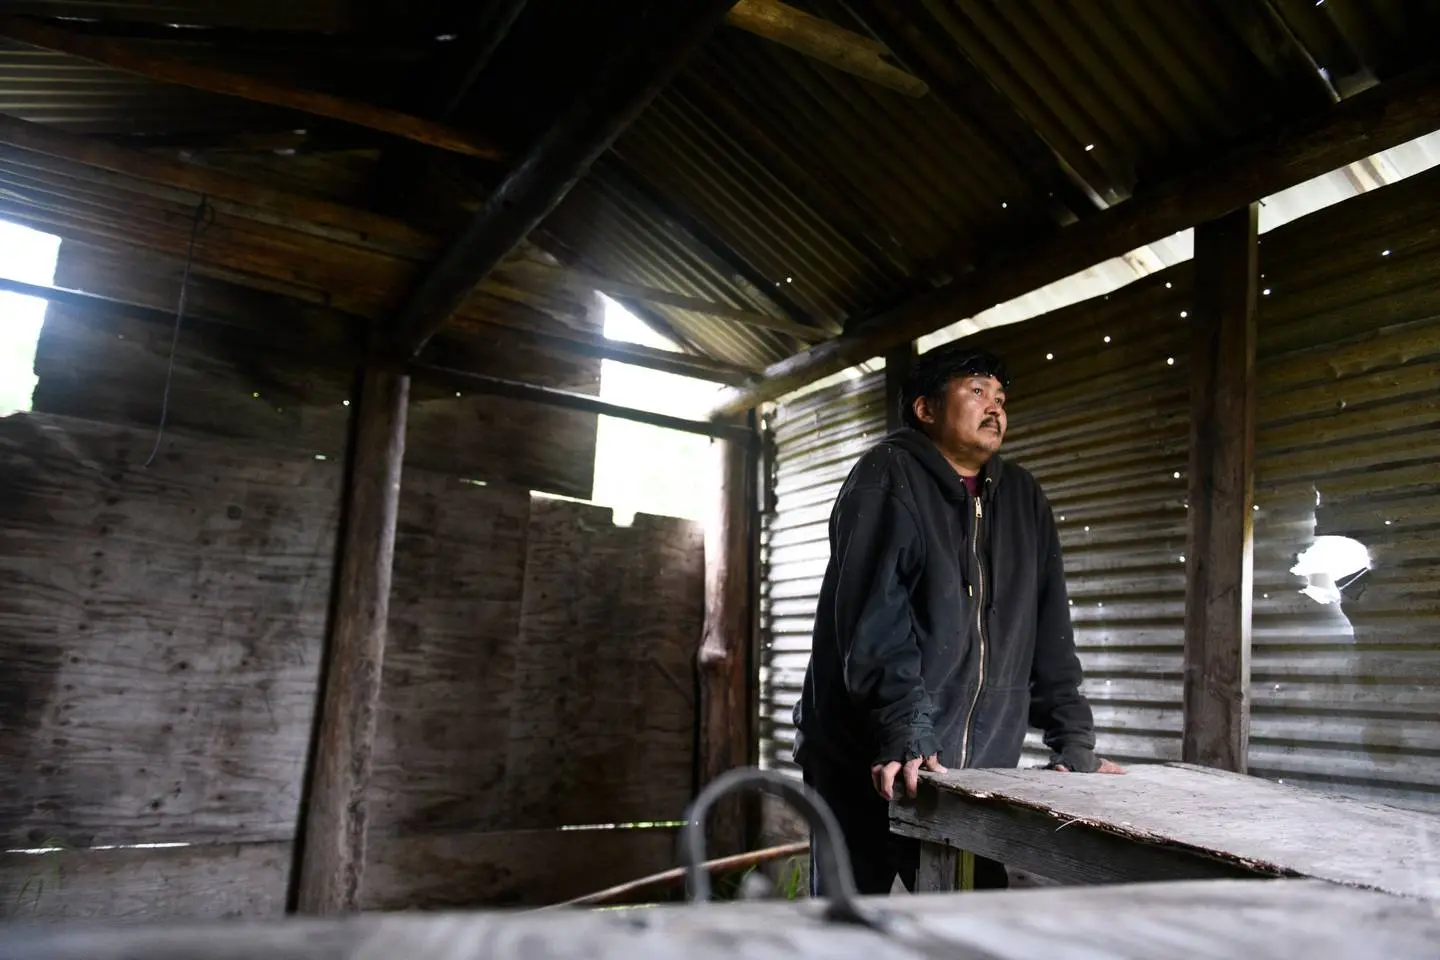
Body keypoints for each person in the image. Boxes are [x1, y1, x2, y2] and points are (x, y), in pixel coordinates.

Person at [792, 343, 1123, 896]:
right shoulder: (888, 475)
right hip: (869, 760)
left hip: (971, 776)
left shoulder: (1024, 500)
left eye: (1000, 397)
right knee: (848, 928)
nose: (994, 407)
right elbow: (873, 621)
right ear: (926, 409)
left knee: (970, 927)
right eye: (975, 391)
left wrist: (1074, 739)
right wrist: (903, 731)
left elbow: (1049, 631)